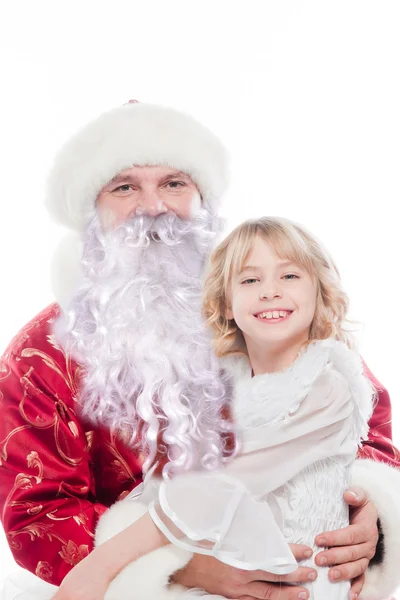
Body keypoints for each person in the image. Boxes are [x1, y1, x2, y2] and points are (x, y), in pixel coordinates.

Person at [0, 101, 398, 600]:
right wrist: (185, 568)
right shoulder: (40, 355)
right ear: (90, 213)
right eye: (124, 187)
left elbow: (365, 423)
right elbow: (39, 514)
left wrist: (371, 511)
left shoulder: (261, 308)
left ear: (202, 201)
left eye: (174, 183)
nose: (152, 207)